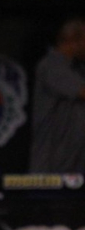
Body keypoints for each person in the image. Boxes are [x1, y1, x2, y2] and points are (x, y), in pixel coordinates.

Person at [30, 18, 85, 173]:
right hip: (50, 167)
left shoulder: (77, 68)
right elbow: (82, 92)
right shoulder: (51, 65)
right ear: (73, 41)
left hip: (74, 166)